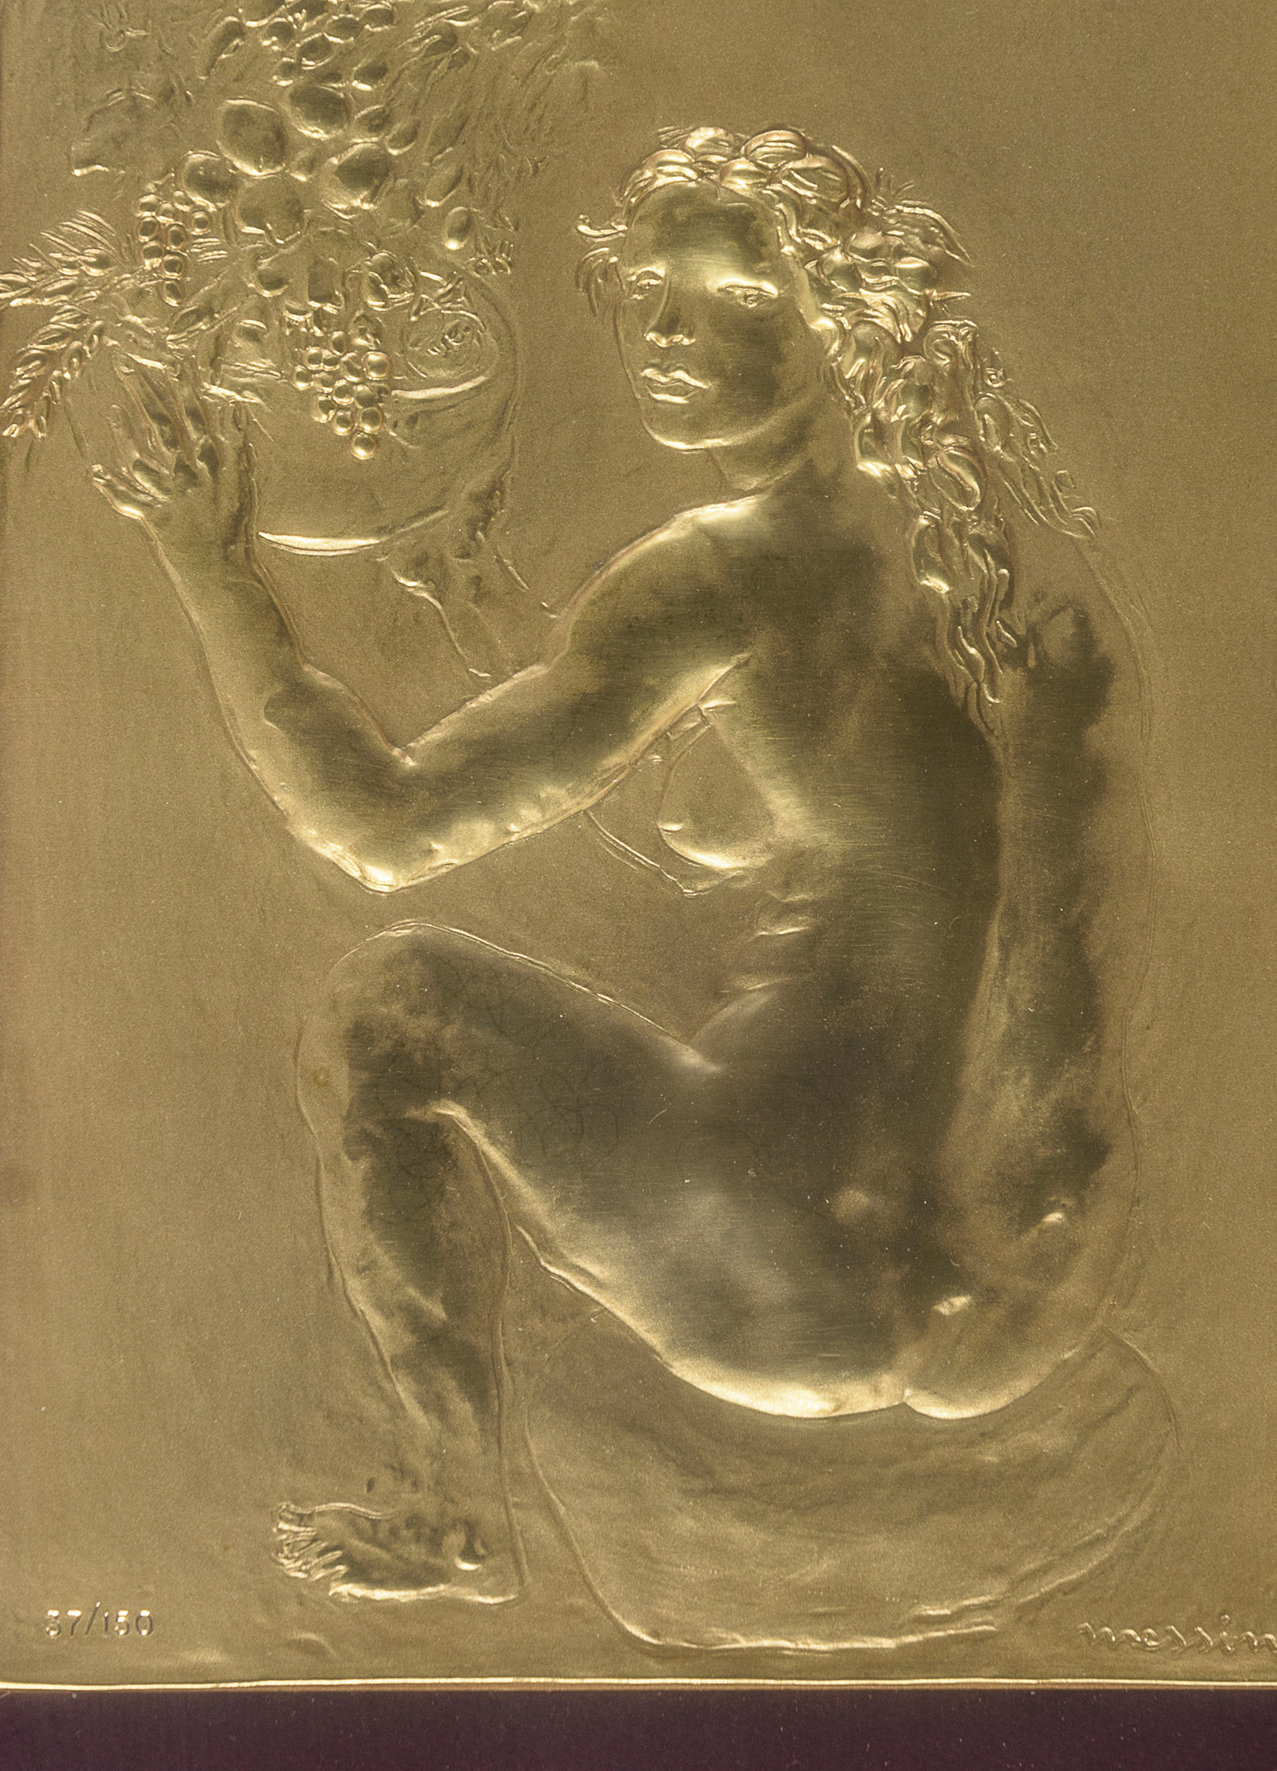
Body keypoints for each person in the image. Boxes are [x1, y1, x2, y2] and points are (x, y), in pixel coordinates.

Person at [95, 125, 1148, 1605]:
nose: (665, 332)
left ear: (848, 325)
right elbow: (1037, 940)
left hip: (775, 1263)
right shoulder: (1004, 571)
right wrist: (1037, 1258)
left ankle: (456, 1504)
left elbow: (382, 831)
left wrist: (211, 570)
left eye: (731, 296)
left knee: (388, 1007)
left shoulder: (733, 568)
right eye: (647, 293)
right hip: (1004, 1272)